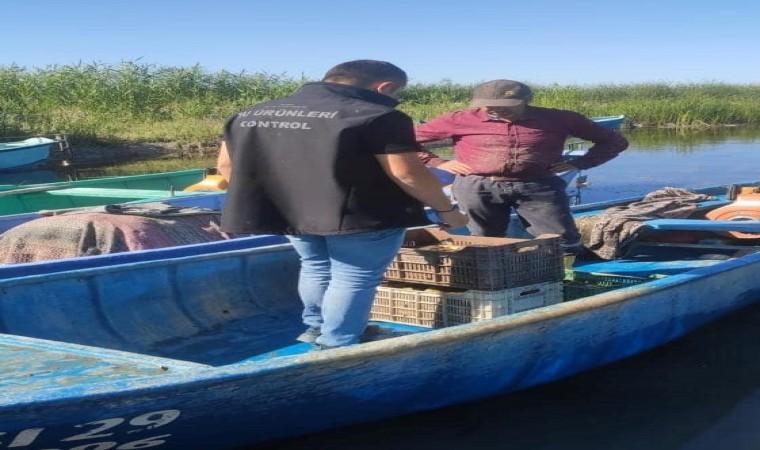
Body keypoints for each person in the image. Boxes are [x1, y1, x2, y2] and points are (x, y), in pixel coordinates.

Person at [216, 60, 468, 349]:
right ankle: (339, 341)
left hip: (289, 211)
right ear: (384, 87)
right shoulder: (381, 115)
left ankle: (315, 328)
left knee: (314, 266)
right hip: (361, 215)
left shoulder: (249, 114)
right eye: (396, 92)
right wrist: (446, 210)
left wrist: (280, 198)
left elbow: (226, 167)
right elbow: (406, 173)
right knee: (354, 277)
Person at [415, 79, 629, 255]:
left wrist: (578, 163)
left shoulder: (559, 118)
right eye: (486, 104)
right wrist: (439, 162)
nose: (490, 109)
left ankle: (562, 277)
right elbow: (401, 140)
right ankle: (495, 280)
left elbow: (614, 141)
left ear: (524, 101)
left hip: (538, 185)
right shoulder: (459, 119)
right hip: (477, 186)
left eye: (501, 105)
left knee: (561, 239)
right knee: (484, 240)